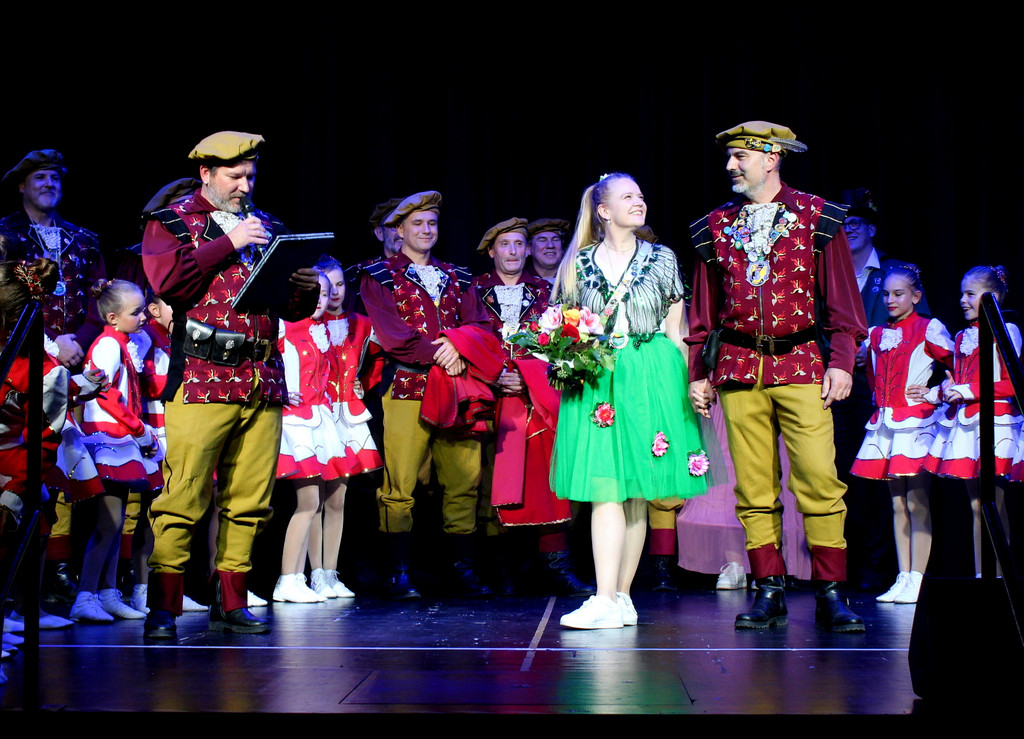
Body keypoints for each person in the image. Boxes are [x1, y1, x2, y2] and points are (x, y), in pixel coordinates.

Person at [685, 121, 868, 632]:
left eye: (740, 156)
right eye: (729, 157)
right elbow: (704, 310)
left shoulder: (817, 217)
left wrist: (842, 360)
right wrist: (699, 373)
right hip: (739, 367)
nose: (730, 166)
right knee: (753, 487)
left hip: (802, 364)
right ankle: (769, 589)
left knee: (819, 480)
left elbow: (843, 302)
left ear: (772, 158)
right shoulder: (714, 226)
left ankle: (831, 591)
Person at [141, 131, 319, 638]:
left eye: (251, 176)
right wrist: (230, 242)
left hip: (262, 378)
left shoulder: (269, 226)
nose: (245, 185)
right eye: (235, 176)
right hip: (203, 376)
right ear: (206, 174)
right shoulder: (171, 222)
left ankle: (232, 600)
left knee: (250, 499)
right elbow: (170, 285)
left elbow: (287, 309)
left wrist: (303, 291)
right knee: (184, 494)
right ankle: (164, 607)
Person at [553, 173, 706, 630]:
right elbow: (565, 328)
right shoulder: (578, 263)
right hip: (599, 377)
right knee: (606, 486)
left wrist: (688, 384)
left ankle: (619, 597)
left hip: (651, 374)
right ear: (604, 211)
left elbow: (677, 331)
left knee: (637, 490)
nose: (639, 202)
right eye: (627, 197)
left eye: (640, 195)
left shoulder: (662, 258)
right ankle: (605, 597)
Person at [360, 190, 501, 600]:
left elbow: (481, 325)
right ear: (399, 230)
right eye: (417, 223)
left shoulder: (458, 275)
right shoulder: (378, 275)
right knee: (400, 482)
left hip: (458, 389)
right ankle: (399, 572)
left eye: (432, 223)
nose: (426, 230)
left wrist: (459, 345)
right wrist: (445, 352)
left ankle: (462, 570)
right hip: (408, 387)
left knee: (463, 479)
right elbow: (393, 334)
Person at [0, 149, 108, 607]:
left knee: (66, 469)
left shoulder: (83, 239)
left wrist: (76, 342)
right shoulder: (5, 235)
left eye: (55, 178)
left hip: (73, 362)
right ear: (21, 185)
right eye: (39, 177)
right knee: (24, 472)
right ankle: (17, 592)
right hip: (22, 364)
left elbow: (99, 300)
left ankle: (56, 576)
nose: (49, 184)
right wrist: (47, 345)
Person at [471, 218, 590, 596]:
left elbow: (562, 343)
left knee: (548, 481)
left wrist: (526, 376)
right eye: (505, 244)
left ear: (527, 251)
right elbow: (466, 338)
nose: (513, 251)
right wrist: (495, 376)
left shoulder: (545, 290)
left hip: (535, 398)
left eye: (519, 244)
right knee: (488, 482)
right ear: (492, 251)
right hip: (486, 400)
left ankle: (556, 566)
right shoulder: (473, 289)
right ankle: (501, 570)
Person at [832, 189, 931, 591]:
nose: (849, 229)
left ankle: (878, 568)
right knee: (841, 473)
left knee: (881, 481)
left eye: (856, 222)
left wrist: (875, 349)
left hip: (883, 393)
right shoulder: (831, 268)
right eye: (844, 223)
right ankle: (841, 566)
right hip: (838, 387)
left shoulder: (893, 271)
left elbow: (921, 330)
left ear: (872, 228)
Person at [850, 265, 954, 603]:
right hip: (886, 423)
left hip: (916, 424)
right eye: (886, 294)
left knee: (916, 501)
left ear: (916, 296)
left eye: (898, 294)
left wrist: (935, 392)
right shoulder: (877, 333)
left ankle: (918, 578)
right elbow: (869, 372)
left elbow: (960, 365)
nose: (890, 300)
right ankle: (903, 575)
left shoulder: (928, 328)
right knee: (896, 503)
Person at [924, 265, 1020, 578]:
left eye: (970, 294)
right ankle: (984, 576)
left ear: (993, 297)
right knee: (977, 506)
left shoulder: (1007, 330)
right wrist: (941, 391)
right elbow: (959, 379)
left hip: (996, 423)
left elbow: (1010, 384)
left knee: (992, 504)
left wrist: (966, 390)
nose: (962, 300)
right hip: (967, 425)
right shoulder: (963, 336)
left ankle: (999, 577)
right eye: (962, 294)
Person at [73, 280, 161, 623]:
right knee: (108, 523)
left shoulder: (123, 342)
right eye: (136, 312)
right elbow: (105, 393)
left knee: (117, 520)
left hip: (121, 437)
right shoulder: (108, 344)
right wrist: (139, 430)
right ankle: (85, 595)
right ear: (113, 317)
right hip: (108, 438)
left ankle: (107, 593)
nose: (143, 317)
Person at [525, 218, 569, 286]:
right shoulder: (519, 283)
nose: (550, 245)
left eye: (555, 239)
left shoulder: (575, 278)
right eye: (542, 240)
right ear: (528, 248)